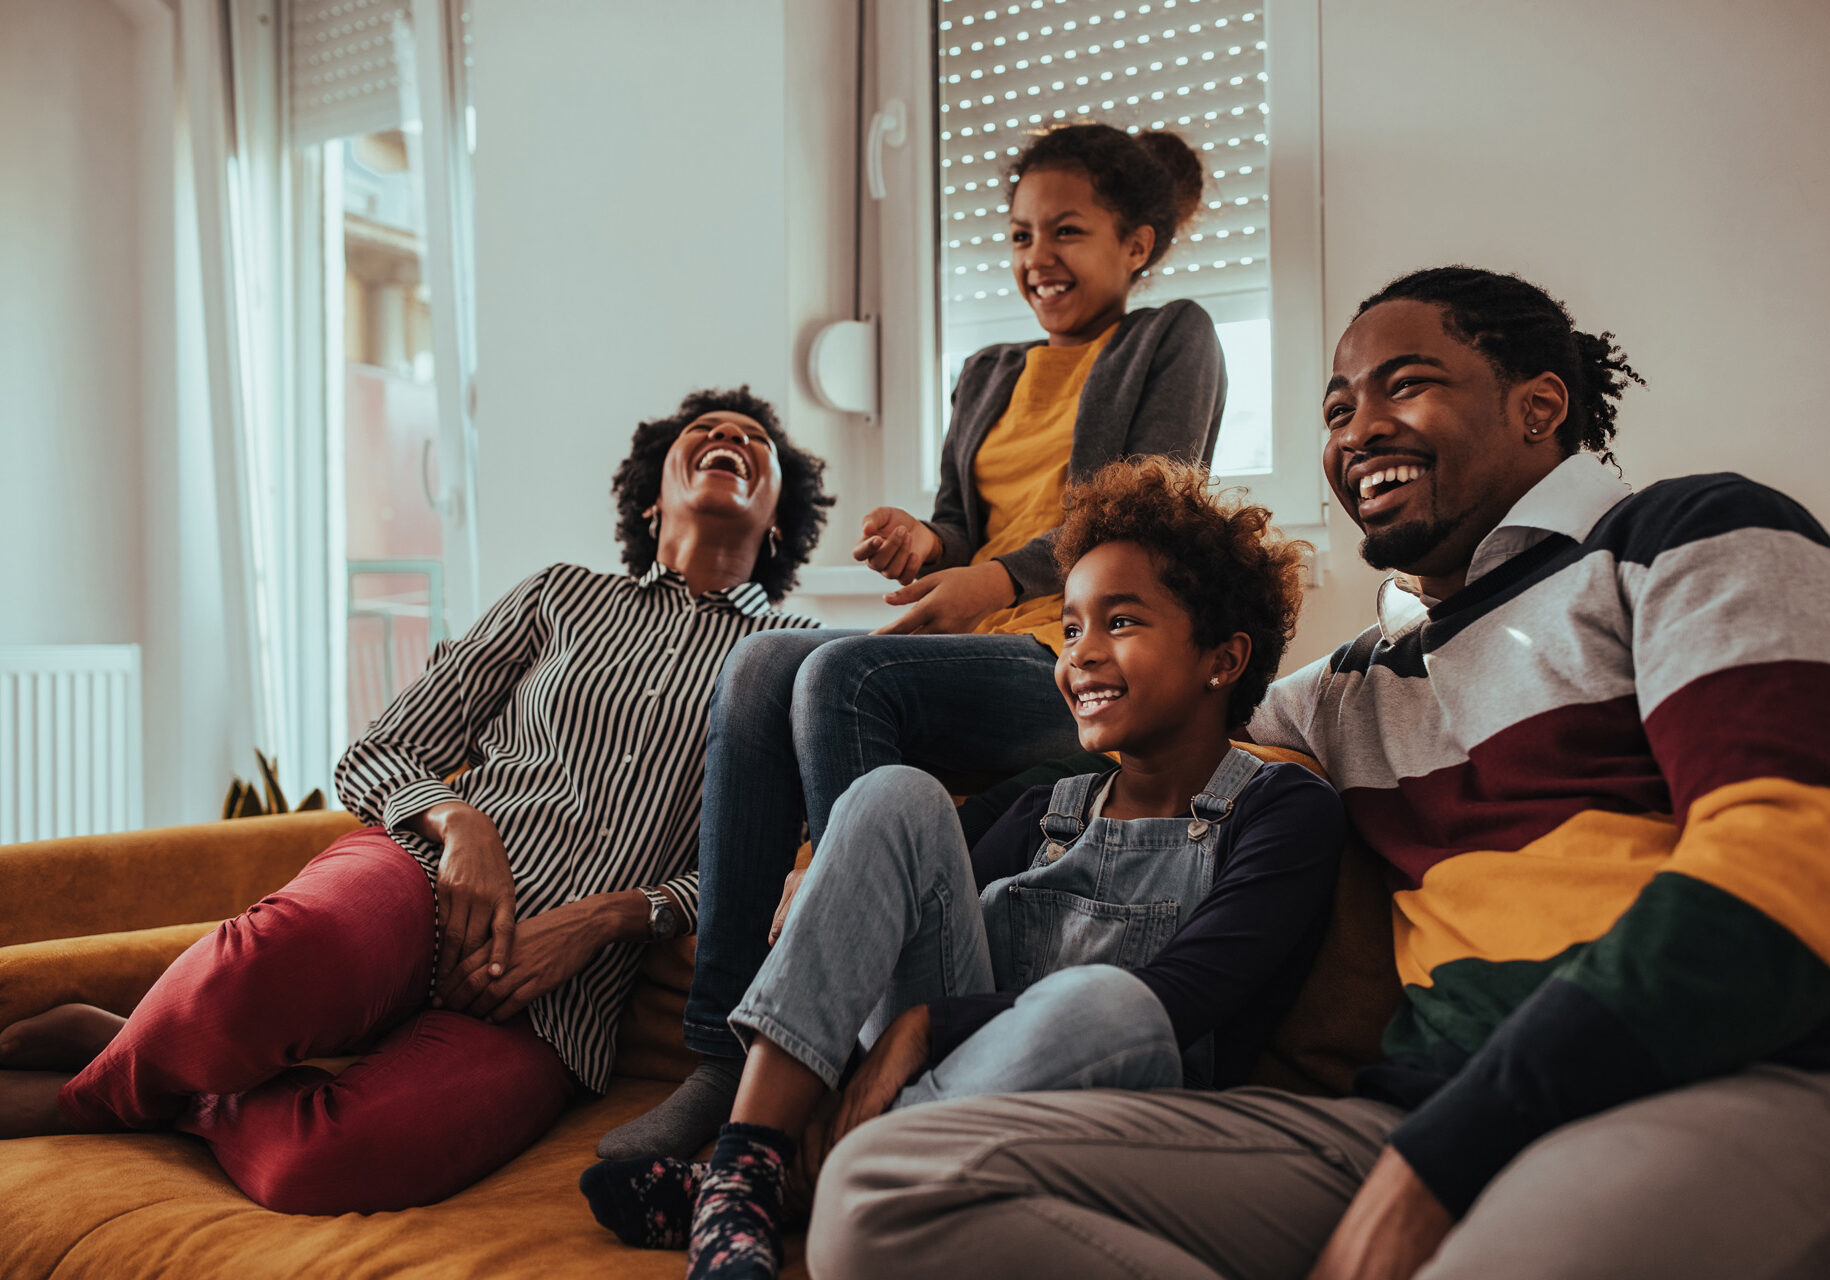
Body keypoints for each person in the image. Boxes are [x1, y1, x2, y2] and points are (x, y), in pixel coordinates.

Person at [806, 266, 1830, 1280]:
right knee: (879, 1191)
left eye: (1405, 383)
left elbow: (1784, 869)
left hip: (1703, 1077)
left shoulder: (1692, 533)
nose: (1357, 428)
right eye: (1338, 406)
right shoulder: (1351, 684)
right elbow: (1140, 717)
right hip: (1399, 1122)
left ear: (1539, 405)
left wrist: (1449, 1149)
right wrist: (855, 852)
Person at [0, 387, 834, 1215]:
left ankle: (128, 1058)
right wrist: (459, 822)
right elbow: (380, 748)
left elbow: (773, 866)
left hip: (550, 998)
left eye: (754, 439)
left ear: (781, 524)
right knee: (239, 983)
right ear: (652, 500)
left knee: (321, 1166)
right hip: (417, 877)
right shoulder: (561, 595)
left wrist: (606, 918)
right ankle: (95, 1095)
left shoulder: (797, 662)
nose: (731, 435)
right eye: (707, 429)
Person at [602, 120, 1231, 1164]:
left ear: (1140, 244)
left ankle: (844, 1049)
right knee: (760, 662)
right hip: (983, 652)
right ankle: (722, 1053)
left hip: (1078, 667)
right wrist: (926, 540)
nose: (1038, 258)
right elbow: (960, 520)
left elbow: (1146, 508)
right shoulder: (987, 371)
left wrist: (995, 577)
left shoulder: (1174, 339)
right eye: (1023, 234)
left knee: (849, 668)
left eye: (1068, 231)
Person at [581, 459, 1343, 1280]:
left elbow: (1187, 996)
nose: (1080, 656)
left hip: (1117, 1117)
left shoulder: (1284, 810)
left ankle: (808, 1182)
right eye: (1072, 629)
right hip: (941, 1088)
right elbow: (894, 890)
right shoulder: (1045, 805)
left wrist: (926, 1028)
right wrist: (830, 867)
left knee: (1109, 1002)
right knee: (892, 794)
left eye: (1119, 622)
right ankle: (745, 1169)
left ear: (1223, 659)